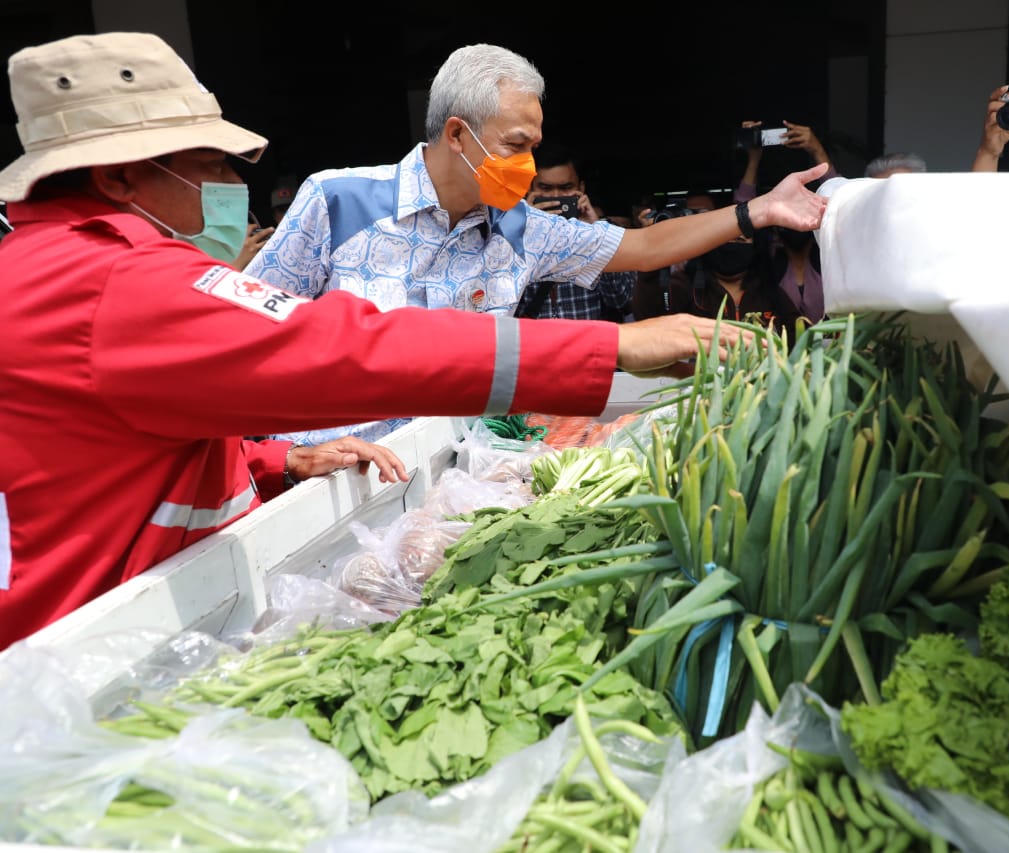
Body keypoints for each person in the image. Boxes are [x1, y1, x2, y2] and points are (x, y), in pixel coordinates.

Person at [0, 32, 762, 650]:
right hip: (88, 645)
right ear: (119, 180)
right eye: (207, 162)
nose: (226, 180)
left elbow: (150, 418)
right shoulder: (118, 285)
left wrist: (277, 459)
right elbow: (334, 347)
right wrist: (609, 351)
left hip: (151, 607)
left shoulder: (74, 271)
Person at [245, 42, 826, 445]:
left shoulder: (522, 229)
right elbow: (249, 331)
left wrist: (758, 211)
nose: (526, 166)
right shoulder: (338, 201)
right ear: (457, 134)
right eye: (516, 145)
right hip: (327, 477)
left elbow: (645, 249)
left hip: (458, 469)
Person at [513, 140, 636, 322]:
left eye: (565, 188)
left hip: (589, 346)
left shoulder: (605, 231)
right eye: (545, 188)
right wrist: (523, 229)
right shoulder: (509, 235)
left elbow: (620, 301)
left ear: (581, 189)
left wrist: (595, 234)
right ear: (528, 190)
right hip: (535, 347)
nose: (556, 197)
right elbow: (504, 309)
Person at [732, 120, 837, 326]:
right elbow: (742, 214)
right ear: (778, 228)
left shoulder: (828, 258)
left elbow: (838, 196)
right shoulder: (768, 262)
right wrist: (754, 159)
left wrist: (816, 149)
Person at [631, 229, 803, 345]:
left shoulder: (770, 293)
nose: (731, 246)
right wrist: (652, 261)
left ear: (755, 248)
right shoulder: (685, 286)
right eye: (723, 240)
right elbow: (648, 317)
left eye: (740, 240)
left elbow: (800, 338)